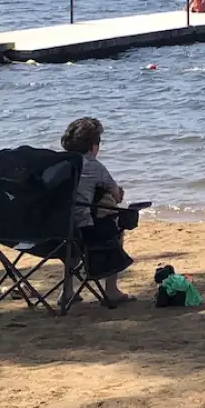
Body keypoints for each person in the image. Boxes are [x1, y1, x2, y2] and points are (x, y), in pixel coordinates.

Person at [60, 117, 133, 303]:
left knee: (70, 230)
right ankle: (111, 290)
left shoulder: (56, 164)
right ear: (93, 146)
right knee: (116, 220)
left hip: (52, 232)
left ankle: (67, 291)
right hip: (84, 233)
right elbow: (116, 195)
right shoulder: (93, 165)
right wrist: (116, 194)